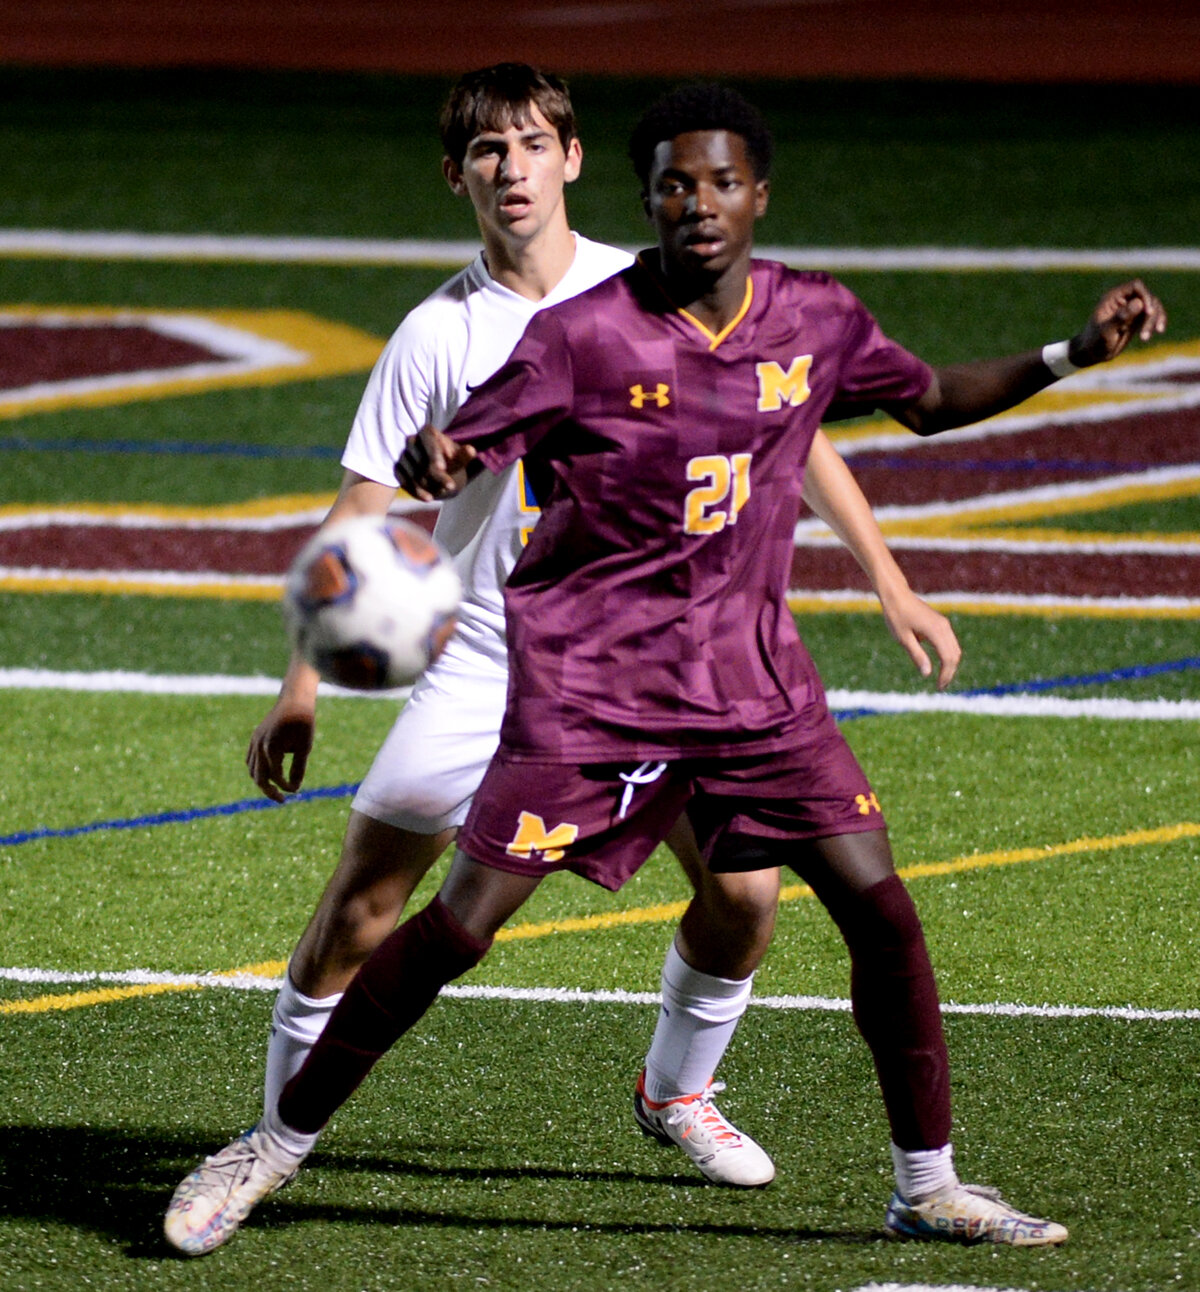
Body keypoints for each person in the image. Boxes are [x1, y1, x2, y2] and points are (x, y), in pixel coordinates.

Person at [164, 67, 965, 1257]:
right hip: (492, 651)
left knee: (745, 897)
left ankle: (673, 1091)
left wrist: (887, 571)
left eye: (532, 144)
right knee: (368, 907)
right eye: (487, 152)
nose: (512, 169)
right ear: (459, 177)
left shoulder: (642, 284)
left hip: (651, 661)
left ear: (575, 159)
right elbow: (360, 514)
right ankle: (269, 1143)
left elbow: (786, 416)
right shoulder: (439, 334)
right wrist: (301, 679)